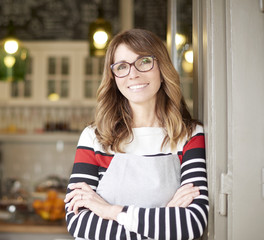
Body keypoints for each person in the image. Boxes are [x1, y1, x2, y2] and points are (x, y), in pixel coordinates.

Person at [63, 28, 208, 240]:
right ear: (113, 77)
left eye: (144, 61)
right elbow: (78, 222)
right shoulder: (94, 137)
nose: (133, 73)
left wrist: (110, 211)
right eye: (121, 67)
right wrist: (165, 218)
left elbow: (191, 223)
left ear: (162, 67)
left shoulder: (189, 135)